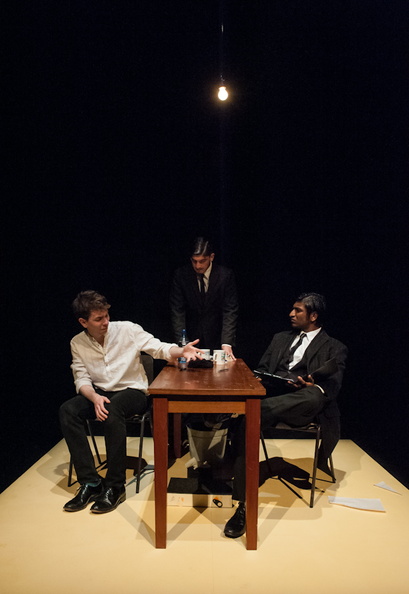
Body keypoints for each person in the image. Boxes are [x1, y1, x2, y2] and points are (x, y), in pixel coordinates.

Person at [59, 290, 203, 513]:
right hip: (100, 393)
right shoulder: (77, 342)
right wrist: (94, 397)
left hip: (133, 392)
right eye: (99, 319)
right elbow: (81, 378)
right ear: (83, 322)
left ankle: (115, 486)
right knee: (67, 410)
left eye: (107, 316)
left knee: (113, 408)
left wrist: (181, 350)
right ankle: (91, 482)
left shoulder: (127, 329)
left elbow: (159, 348)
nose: (106, 322)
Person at [224, 292, 348, 538]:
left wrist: (311, 385)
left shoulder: (335, 347)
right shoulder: (280, 338)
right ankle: (242, 505)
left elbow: (332, 388)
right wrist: (262, 379)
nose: (291, 314)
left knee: (314, 396)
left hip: (303, 405)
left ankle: (253, 410)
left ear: (313, 316)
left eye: (298, 310)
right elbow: (261, 369)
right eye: (292, 309)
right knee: (248, 421)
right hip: (273, 396)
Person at [170, 237, 238, 359]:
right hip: (191, 338)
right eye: (194, 261)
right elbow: (177, 311)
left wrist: (226, 342)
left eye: (202, 261)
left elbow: (230, 310)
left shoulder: (225, 276)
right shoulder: (181, 275)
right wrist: (183, 343)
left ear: (211, 257)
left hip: (217, 337)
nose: (198, 265)